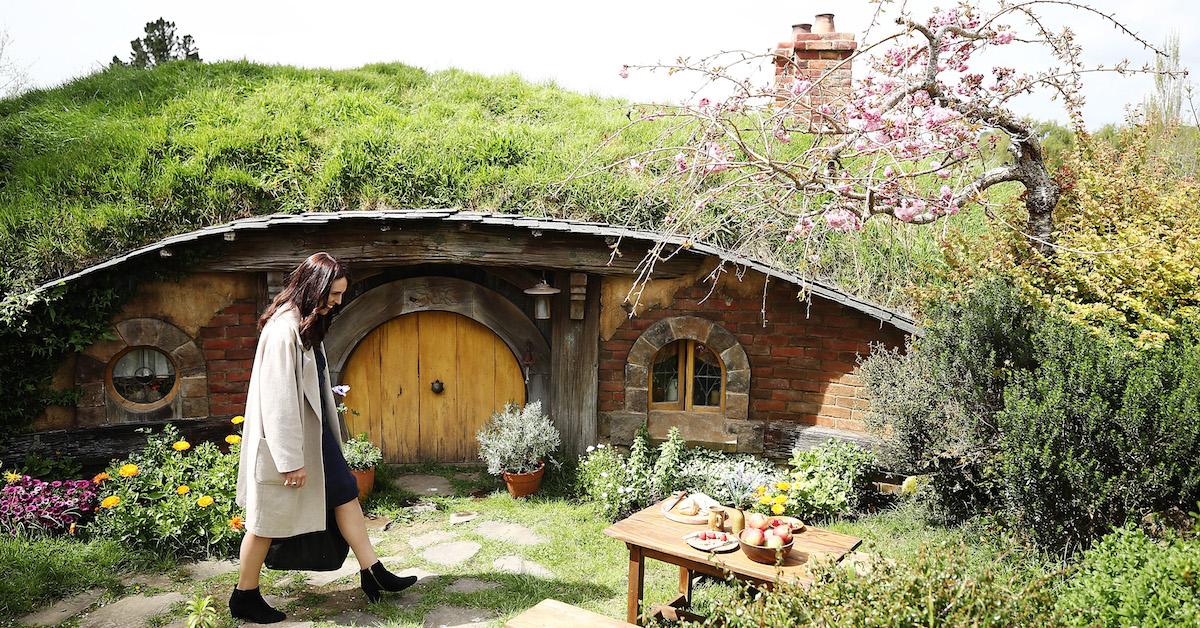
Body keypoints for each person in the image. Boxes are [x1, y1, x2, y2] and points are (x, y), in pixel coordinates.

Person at [230, 252, 415, 624]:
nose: (337, 301)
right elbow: (278, 399)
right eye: (334, 293)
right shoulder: (284, 330)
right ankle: (244, 595)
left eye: (341, 294)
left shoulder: (307, 322)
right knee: (267, 521)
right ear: (313, 286)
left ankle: (372, 571)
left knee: (346, 491)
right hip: (290, 444)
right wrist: (289, 460)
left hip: (315, 438)